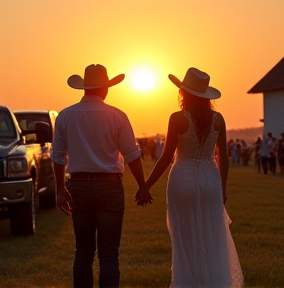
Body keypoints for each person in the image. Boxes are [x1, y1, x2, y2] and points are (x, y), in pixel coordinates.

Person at [136, 67, 244, 287]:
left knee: (184, 239)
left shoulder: (177, 118)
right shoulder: (218, 119)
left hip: (182, 179)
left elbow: (166, 157)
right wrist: (222, 188)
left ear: (183, 93)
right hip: (210, 179)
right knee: (212, 236)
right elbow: (223, 156)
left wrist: (145, 186)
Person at [51, 64, 152, 288]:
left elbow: (58, 157)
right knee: (108, 254)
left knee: (83, 252)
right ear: (105, 88)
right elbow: (132, 155)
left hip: (77, 185)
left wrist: (60, 190)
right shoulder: (118, 116)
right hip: (109, 187)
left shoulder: (65, 116)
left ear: (84, 88)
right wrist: (142, 186)